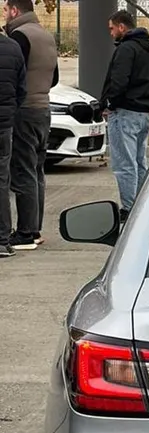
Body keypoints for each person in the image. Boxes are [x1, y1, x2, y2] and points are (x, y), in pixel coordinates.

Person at [4, 0, 58, 251]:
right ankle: (34, 229)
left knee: (22, 170)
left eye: (6, 10)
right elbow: (54, 78)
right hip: (43, 110)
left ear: (15, 10)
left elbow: (14, 74)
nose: (4, 15)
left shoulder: (19, 36)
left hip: (24, 110)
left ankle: (25, 232)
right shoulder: (46, 36)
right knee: (37, 170)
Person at [101, 9, 149, 223]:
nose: (111, 33)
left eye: (112, 28)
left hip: (124, 112)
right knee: (139, 162)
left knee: (124, 164)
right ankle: (143, 205)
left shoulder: (126, 49)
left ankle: (129, 209)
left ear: (121, 27)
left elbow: (119, 81)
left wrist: (109, 103)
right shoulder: (148, 48)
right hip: (143, 112)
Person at [0, 26, 25, 258]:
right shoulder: (13, 47)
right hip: (4, 123)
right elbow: (21, 90)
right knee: (2, 180)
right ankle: (2, 240)